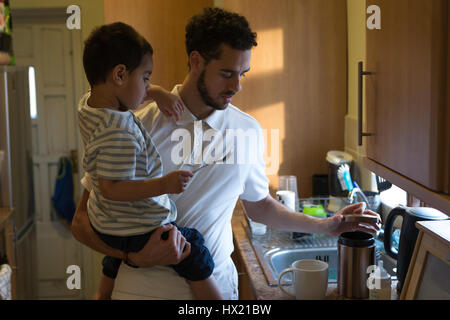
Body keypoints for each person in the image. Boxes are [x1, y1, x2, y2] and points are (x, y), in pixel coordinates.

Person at [72, 8, 381, 300]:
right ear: (195, 61)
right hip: (141, 290)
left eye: (243, 74)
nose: (237, 86)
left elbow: (259, 206)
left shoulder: (247, 131)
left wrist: (325, 226)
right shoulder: (135, 126)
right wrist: (130, 255)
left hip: (218, 287)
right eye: (226, 73)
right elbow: (82, 221)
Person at [77, 21, 222, 299]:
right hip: (126, 222)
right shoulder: (117, 134)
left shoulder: (91, 105)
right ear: (120, 74)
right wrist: (162, 185)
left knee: (120, 237)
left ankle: (101, 295)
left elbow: (122, 97)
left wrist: (154, 92)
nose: (147, 86)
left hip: (105, 219)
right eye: (146, 78)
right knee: (194, 246)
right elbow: (112, 188)